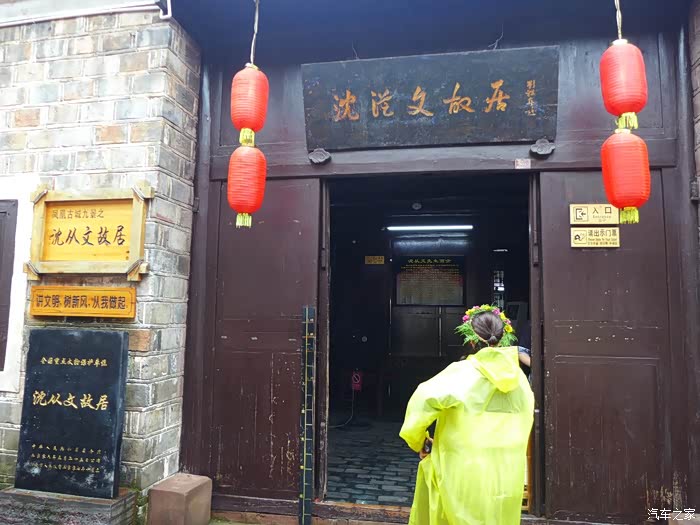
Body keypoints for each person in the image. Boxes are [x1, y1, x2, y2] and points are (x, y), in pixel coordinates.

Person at [399, 306, 534, 525]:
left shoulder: (461, 372)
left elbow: (422, 400)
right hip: (506, 471)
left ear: (471, 341)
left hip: (462, 466)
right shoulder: (518, 379)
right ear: (503, 338)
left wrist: (419, 441)